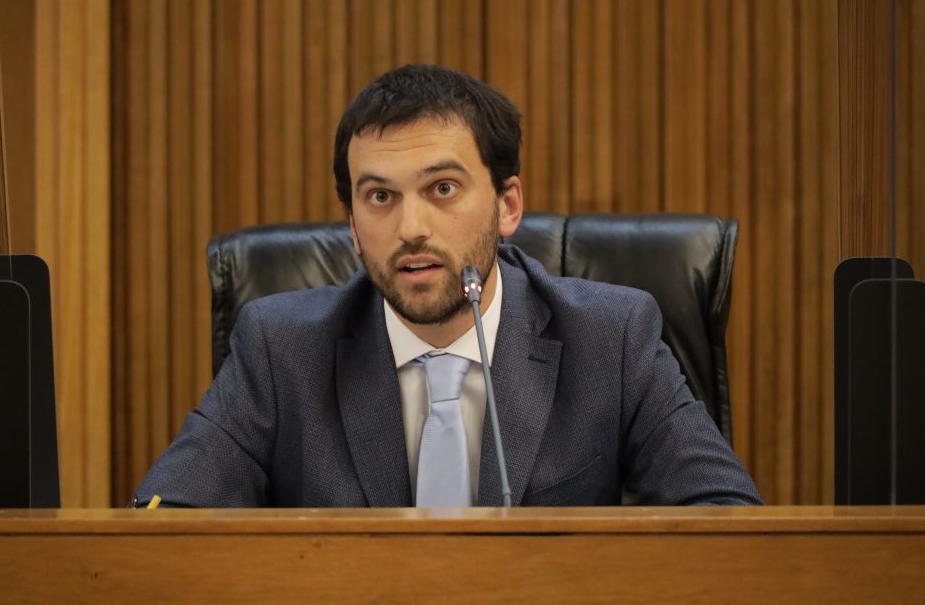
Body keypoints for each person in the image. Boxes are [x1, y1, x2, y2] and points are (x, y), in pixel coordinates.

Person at [134, 64, 761, 507]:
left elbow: (725, 522)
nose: (411, 228)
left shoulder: (611, 339)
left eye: (442, 189)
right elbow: (167, 524)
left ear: (507, 205)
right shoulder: (280, 349)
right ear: (352, 227)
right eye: (380, 197)